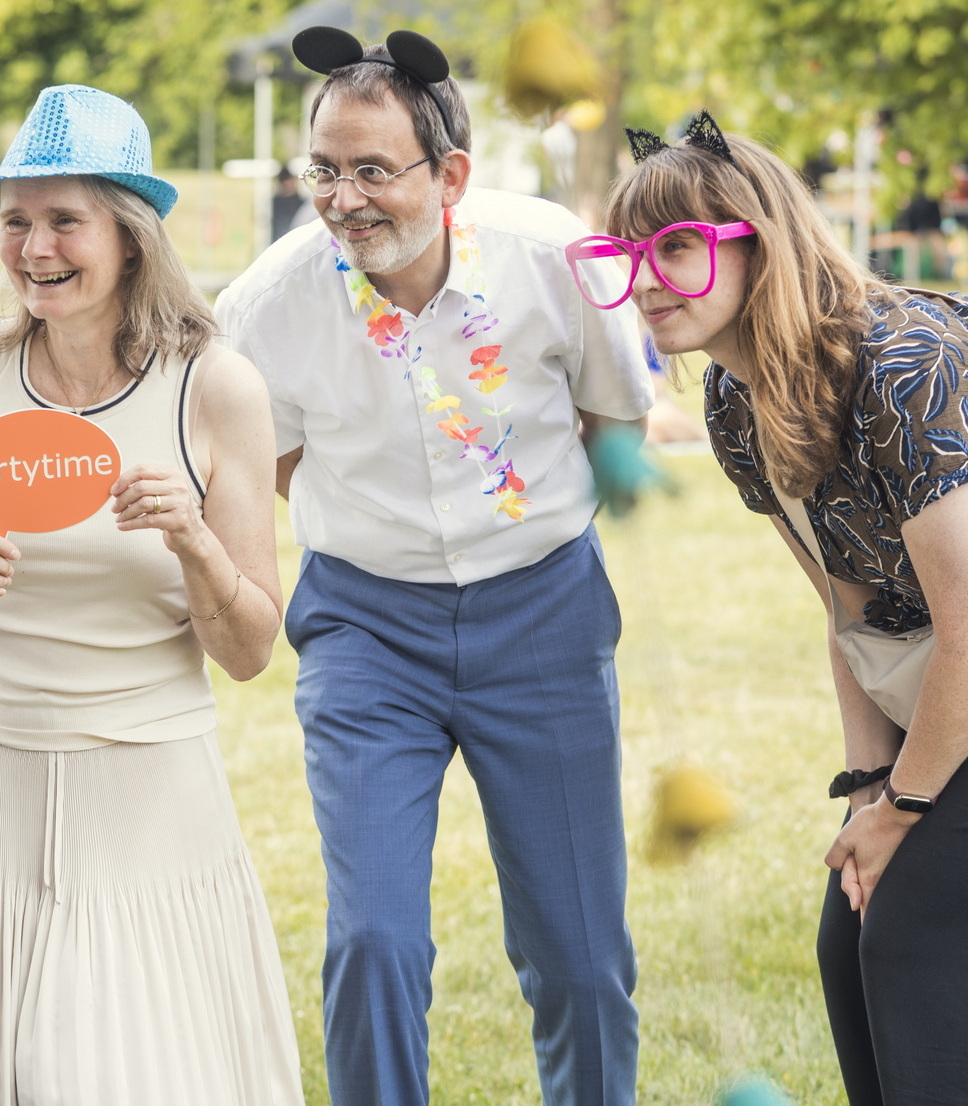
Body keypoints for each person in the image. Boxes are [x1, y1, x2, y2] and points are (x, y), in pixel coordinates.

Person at [577, 116, 968, 1105]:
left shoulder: (907, 363)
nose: (646, 278)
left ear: (757, 244)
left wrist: (906, 807)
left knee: (941, 926)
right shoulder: (736, 406)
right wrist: (869, 789)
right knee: (857, 925)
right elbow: (851, 615)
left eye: (677, 247)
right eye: (624, 252)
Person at [216, 27, 652, 1106]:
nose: (342, 197)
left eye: (372, 169)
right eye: (322, 169)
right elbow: (259, 465)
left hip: (542, 612)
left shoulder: (551, 256)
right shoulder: (266, 306)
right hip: (366, 631)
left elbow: (612, 414)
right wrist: (382, 529)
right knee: (373, 939)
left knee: (579, 951)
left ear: (449, 174)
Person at [0, 84, 300, 1105]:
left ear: (130, 236)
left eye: (64, 220)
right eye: (15, 220)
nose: (33, 247)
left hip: (145, 786)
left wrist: (189, 537)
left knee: (131, 1064)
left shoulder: (213, 385)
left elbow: (248, 648)